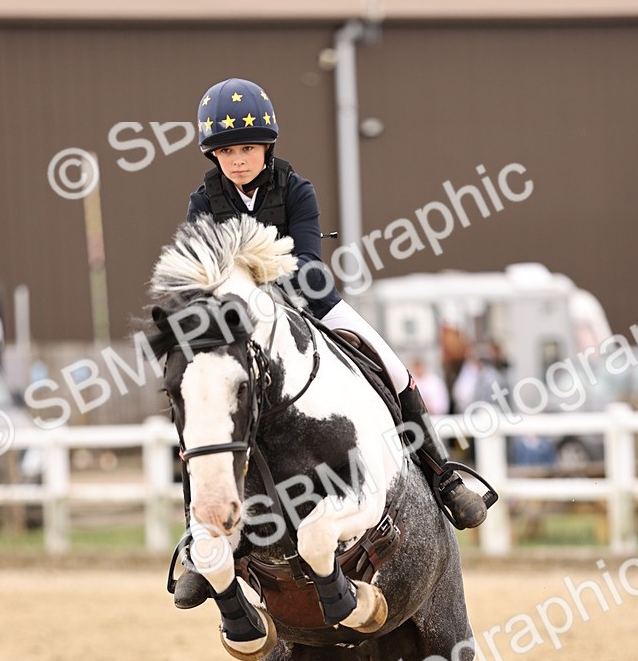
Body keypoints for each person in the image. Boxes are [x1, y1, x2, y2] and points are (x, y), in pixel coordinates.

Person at [174, 77, 488, 608]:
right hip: (235, 322)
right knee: (194, 399)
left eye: (247, 149)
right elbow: (201, 275)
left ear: (266, 147)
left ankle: (440, 474)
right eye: (227, 151)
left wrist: (267, 293)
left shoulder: (296, 190)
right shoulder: (203, 201)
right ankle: (196, 537)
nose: (238, 160)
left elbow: (310, 265)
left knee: (390, 365)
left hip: (307, 303)